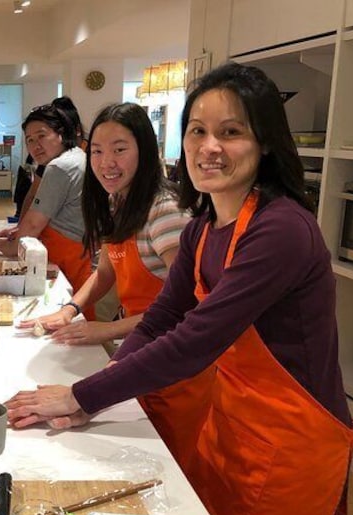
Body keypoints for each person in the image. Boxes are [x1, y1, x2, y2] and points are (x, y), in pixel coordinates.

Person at [6, 63, 353, 515]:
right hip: (230, 420)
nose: (209, 146)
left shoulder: (282, 230)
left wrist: (82, 394)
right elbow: (162, 317)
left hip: (290, 442)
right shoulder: (205, 226)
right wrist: (96, 391)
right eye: (197, 131)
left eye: (230, 132)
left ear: (266, 143)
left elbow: (196, 338)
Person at [18, 102, 213, 465]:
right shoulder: (116, 203)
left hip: (175, 366)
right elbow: (105, 272)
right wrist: (70, 310)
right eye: (97, 151)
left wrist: (106, 330)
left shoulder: (164, 211)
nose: (106, 162)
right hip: (140, 350)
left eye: (120, 150)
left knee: (168, 465)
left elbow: (188, 307)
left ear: (145, 150)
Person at [0, 105, 95, 317]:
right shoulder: (77, 156)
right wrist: (18, 232)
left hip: (64, 254)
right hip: (79, 249)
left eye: (42, 136)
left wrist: (7, 247)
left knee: (60, 314)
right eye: (29, 139)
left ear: (61, 133)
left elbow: (33, 225)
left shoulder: (59, 167)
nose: (35, 145)